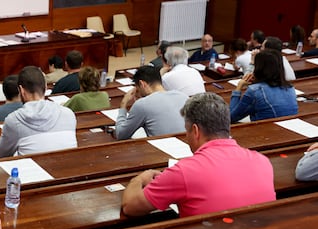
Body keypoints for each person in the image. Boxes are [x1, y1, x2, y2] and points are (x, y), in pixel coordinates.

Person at [121, 92, 276, 217]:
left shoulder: (184, 171)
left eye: (186, 130)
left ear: (195, 131)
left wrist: (139, 179)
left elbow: (130, 207)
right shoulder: (262, 161)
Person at [0, 66, 77, 157]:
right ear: (45, 87)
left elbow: (2, 153)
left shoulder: (14, 120)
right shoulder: (68, 114)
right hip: (67, 167)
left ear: (21, 91)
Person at [115, 66, 188, 140]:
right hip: (187, 146)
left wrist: (123, 104)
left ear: (142, 84)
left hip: (161, 148)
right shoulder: (183, 96)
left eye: (137, 88)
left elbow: (120, 135)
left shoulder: (142, 104)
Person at [230, 49, 298, 123]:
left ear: (259, 68)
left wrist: (239, 87)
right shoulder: (290, 88)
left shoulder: (254, 91)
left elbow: (231, 117)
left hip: (265, 130)